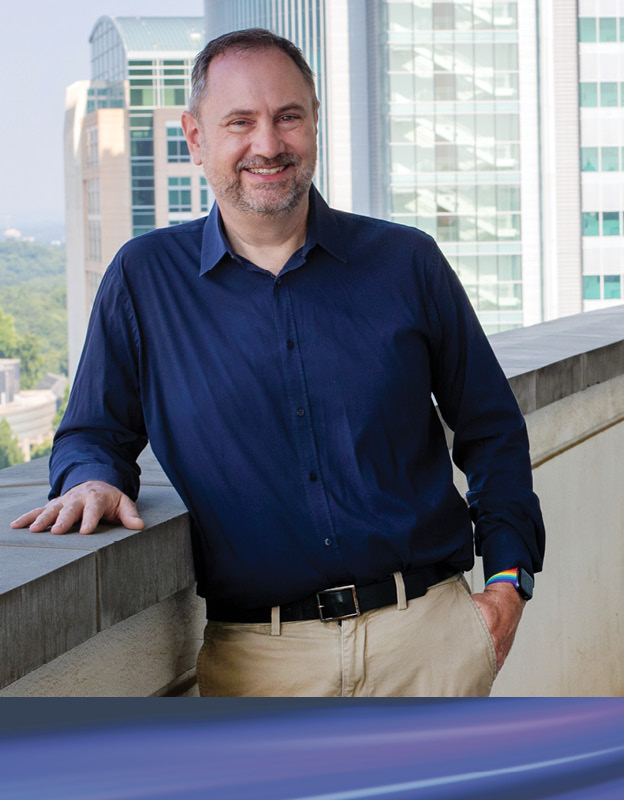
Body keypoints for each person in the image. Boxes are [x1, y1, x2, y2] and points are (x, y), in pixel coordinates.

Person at [11, 29, 544, 697]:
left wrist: (507, 585)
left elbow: (492, 428)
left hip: (430, 646)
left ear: (314, 123)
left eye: (288, 116)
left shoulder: (406, 263)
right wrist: (90, 480)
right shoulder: (144, 281)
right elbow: (92, 433)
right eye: (240, 122)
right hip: (258, 667)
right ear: (196, 137)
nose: (268, 144)